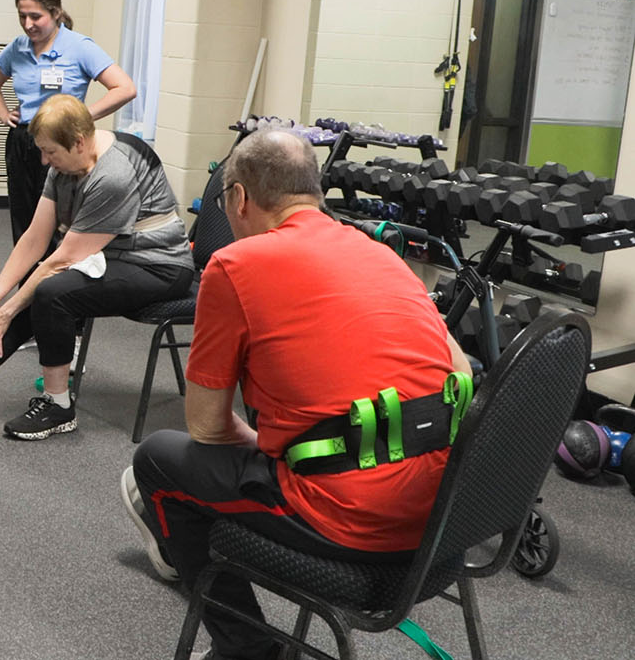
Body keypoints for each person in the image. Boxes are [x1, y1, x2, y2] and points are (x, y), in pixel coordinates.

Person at [121, 129, 474, 660]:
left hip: (350, 524)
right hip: (446, 517)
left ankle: (247, 650)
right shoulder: (380, 252)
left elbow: (207, 428)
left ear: (238, 198)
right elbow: (460, 370)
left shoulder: (234, 266)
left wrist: (266, 444)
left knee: (156, 464)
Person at [0, 94, 193, 439]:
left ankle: (58, 406)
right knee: (40, 292)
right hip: (114, 256)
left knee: (51, 293)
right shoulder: (66, 162)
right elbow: (34, 239)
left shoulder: (114, 174)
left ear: (78, 141)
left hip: (159, 266)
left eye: (50, 153)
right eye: (42, 151)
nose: (45, 162)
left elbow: (61, 260)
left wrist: (7, 311)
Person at [0, 0, 137, 245]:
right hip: (23, 140)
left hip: (62, 142)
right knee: (24, 217)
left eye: (35, 16)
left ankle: (56, 282)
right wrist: (4, 114)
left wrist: (84, 115)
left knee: (57, 221)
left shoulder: (79, 47)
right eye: (22, 16)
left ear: (55, 13)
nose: (28, 24)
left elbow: (125, 88)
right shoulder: (17, 48)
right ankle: (28, 282)